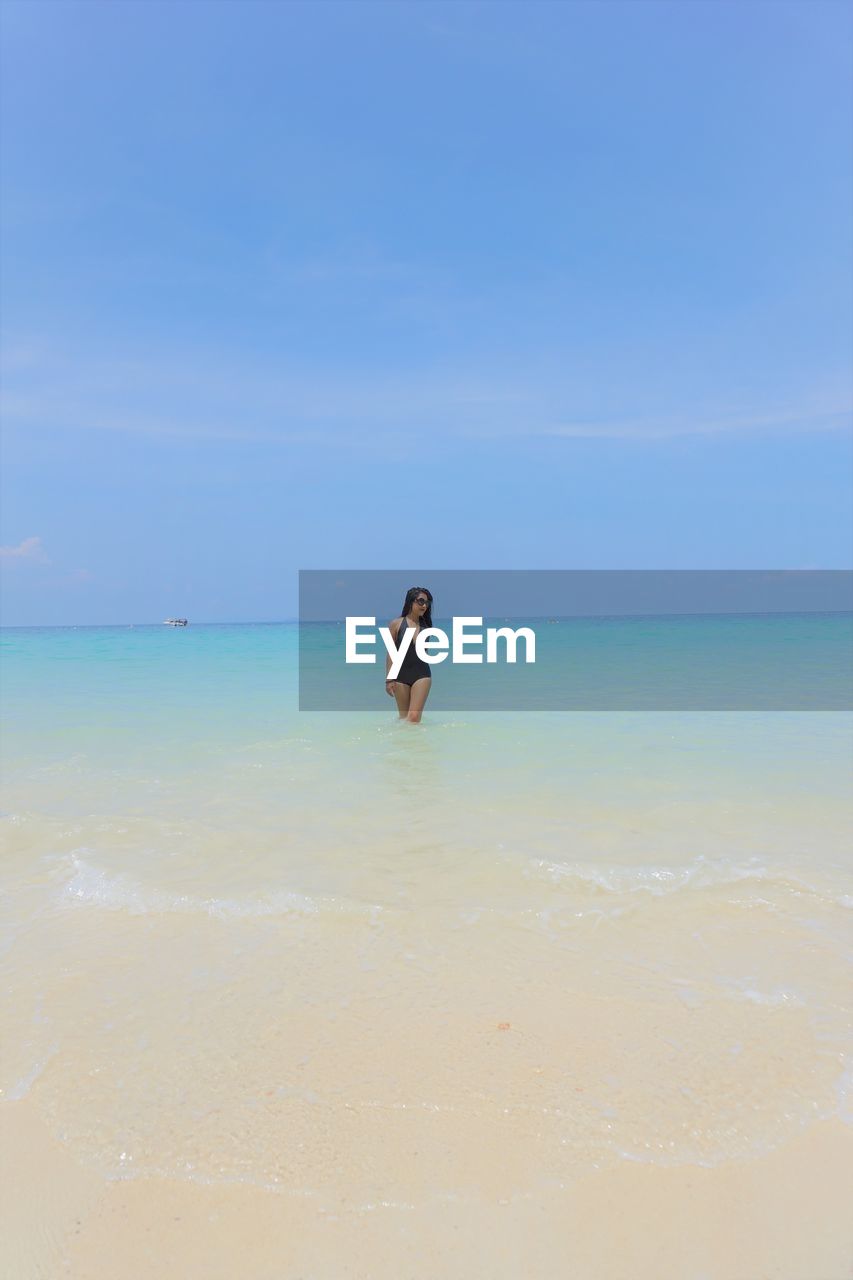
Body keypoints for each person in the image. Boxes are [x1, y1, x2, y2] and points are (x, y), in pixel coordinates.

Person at [385, 586, 433, 723]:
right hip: (401, 676)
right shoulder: (396, 624)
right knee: (404, 719)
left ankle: (418, 744)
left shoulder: (427, 626)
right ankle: (406, 743)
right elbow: (391, 653)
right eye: (421, 601)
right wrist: (389, 679)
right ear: (410, 602)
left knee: (414, 717)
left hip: (422, 675)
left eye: (427, 602)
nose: (425, 605)